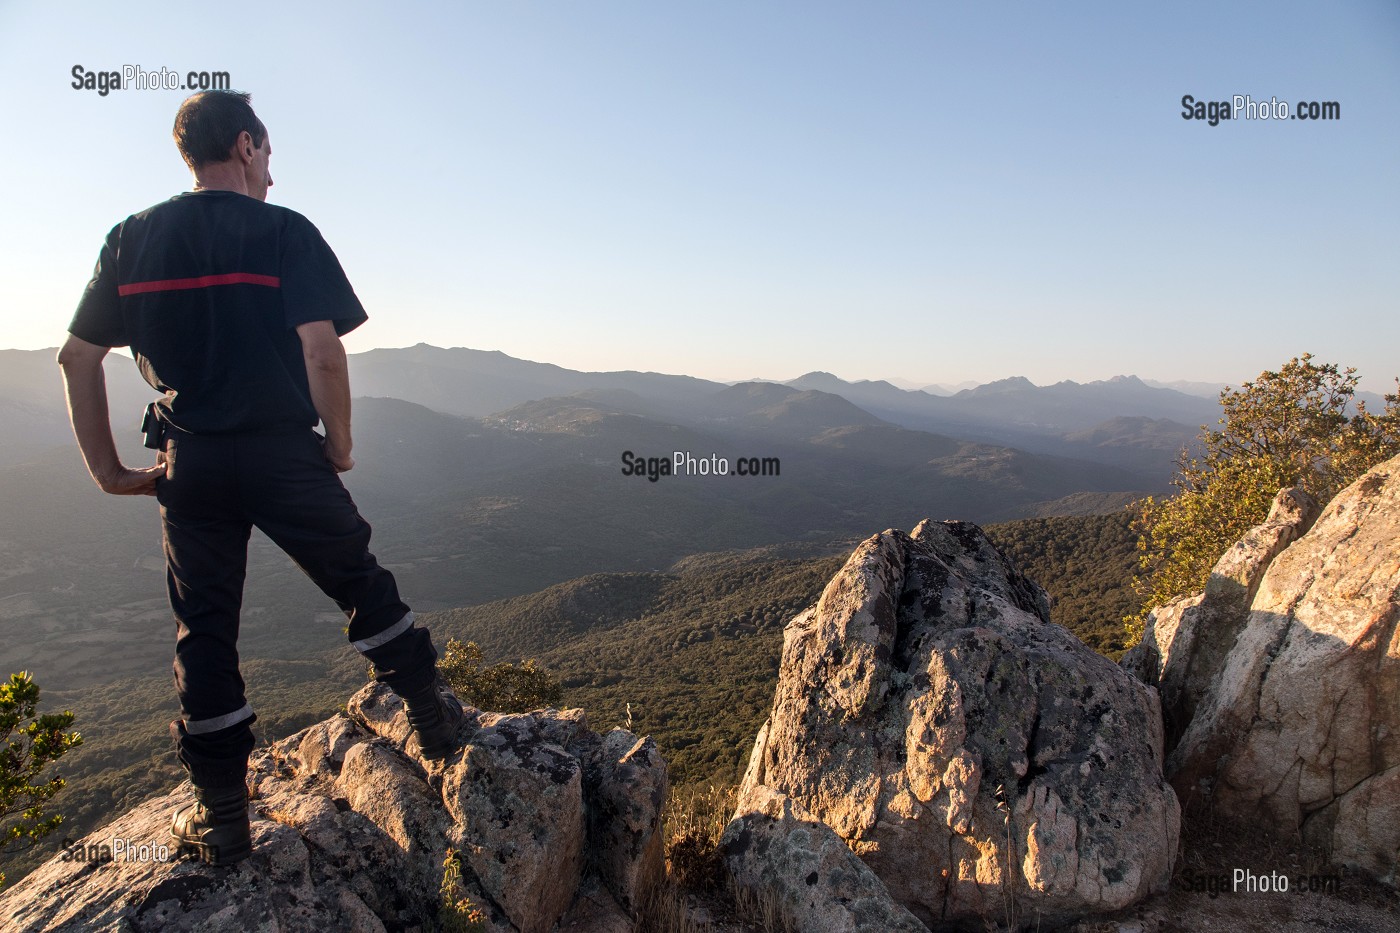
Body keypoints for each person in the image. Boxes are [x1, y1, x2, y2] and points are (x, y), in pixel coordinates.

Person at [56, 90, 464, 867]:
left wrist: (109, 471)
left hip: (193, 462)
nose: (272, 173)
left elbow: (77, 357)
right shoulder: (283, 231)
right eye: (269, 155)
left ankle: (224, 821)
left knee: (205, 629)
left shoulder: (130, 239)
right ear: (245, 146)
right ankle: (435, 722)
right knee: (359, 580)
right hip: (283, 452)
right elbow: (324, 350)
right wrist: (340, 442)